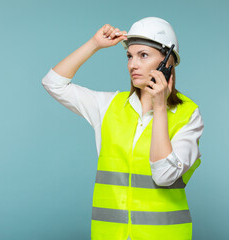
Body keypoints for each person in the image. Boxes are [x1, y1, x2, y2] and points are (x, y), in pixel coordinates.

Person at [42, 17, 204, 240]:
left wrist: (159, 107)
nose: (132, 64)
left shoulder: (189, 115)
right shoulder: (108, 106)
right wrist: (94, 44)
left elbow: (164, 175)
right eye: (129, 56)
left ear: (167, 62)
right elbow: (53, 83)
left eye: (143, 55)